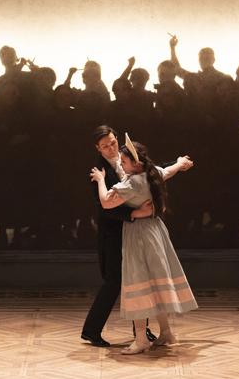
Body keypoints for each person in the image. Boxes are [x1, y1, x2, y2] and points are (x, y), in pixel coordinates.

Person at [90, 134, 197, 354]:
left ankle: (141, 339)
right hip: (156, 231)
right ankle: (166, 332)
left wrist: (101, 180)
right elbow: (169, 170)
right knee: (156, 281)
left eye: (124, 160)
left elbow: (105, 203)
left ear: (135, 163)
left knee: (139, 282)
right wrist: (180, 162)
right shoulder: (153, 173)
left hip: (139, 236)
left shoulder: (133, 183)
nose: (121, 162)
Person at [81, 126, 155, 348]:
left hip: (134, 232)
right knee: (114, 282)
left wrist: (178, 164)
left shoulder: (127, 156)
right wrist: (134, 214)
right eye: (105, 145)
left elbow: (153, 170)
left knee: (139, 280)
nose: (111, 148)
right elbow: (106, 208)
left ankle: (141, 332)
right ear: (98, 148)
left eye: (113, 142)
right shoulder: (98, 171)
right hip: (114, 233)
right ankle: (91, 331)